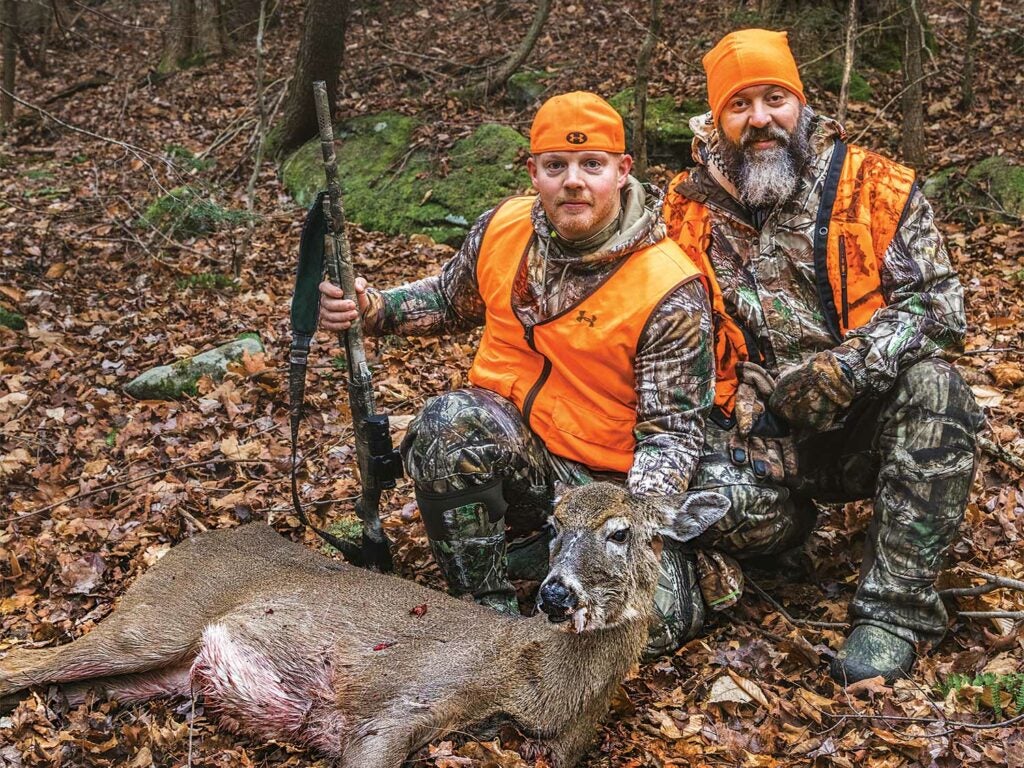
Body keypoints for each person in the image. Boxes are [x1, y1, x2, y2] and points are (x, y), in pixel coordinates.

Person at [319, 92, 719, 657]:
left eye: (592, 165)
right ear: (534, 171)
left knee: (657, 626)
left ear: (622, 171)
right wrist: (373, 307)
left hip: (603, 485)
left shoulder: (668, 286)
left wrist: (632, 530)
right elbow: (446, 298)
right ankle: (488, 620)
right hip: (518, 454)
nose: (573, 182)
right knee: (448, 425)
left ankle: (549, 551)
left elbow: (673, 435)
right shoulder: (504, 228)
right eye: (556, 166)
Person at [662, 29, 984, 684]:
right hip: (758, 444)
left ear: (801, 104)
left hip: (862, 420)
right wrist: (736, 415)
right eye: (739, 105)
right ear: (715, 119)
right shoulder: (681, 211)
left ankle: (894, 612)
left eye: (774, 97)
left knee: (938, 391)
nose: (760, 119)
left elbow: (941, 307)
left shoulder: (877, 186)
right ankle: (766, 549)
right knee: (684, 498)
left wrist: (848, 367)